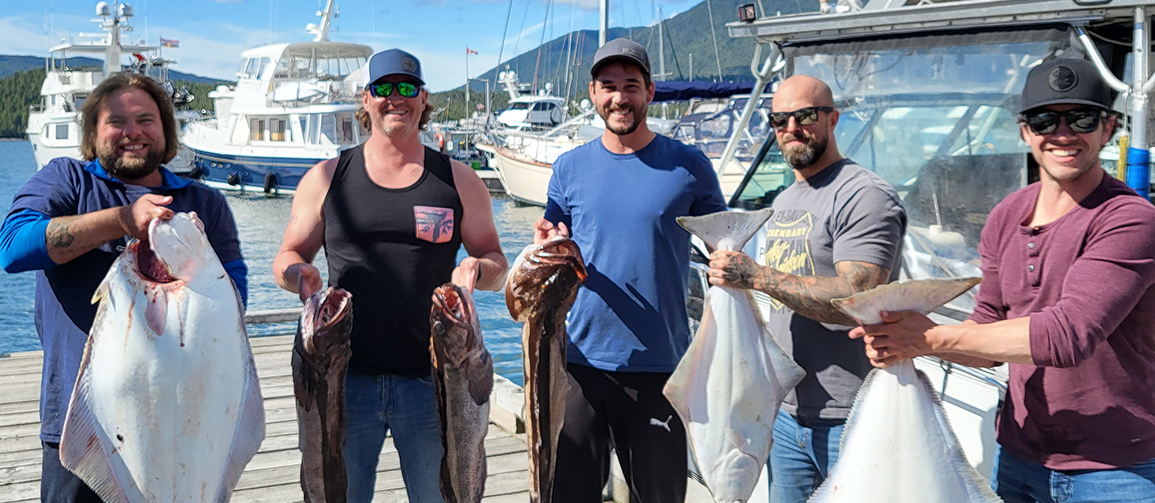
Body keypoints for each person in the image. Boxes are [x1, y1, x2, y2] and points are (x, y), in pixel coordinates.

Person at [850, 58, 1155, 502]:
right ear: (1024, 132)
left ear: (1108, 127)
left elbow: (1067, 336)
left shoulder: (1132, 219)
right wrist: (896, 334)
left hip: (1117, 471)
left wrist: (928, 339)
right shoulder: (1005, 216)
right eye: (1044, 120)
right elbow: (984, 335)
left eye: (1081, 117)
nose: (1062, 134)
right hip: (1020, 458)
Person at [272, 48, 507, 503]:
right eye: (383, 88)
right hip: (343, 379)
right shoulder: (326, 178)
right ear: (366, 99)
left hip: (434, 380)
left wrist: (479, 269)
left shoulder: (459, 179)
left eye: (406, 89)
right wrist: (299, 274)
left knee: (440, 495)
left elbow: (495, 263)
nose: (394, 98)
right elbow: (287, 256)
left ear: (423, 100)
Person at [0, 72, 247, 503]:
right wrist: (120, 220)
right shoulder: (68, 181)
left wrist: (195, 263)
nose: (132, 131)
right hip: (85, 423)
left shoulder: (205, 203)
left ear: (165, 131)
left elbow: (235, 301)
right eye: (116, 120)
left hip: (191, 422)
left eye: (146, 119)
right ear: (94, 133)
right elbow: (13, 249)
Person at [531, 38, 727, 503]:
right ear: (594, 95)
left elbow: (724, 241)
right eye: (609, 87)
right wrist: (545, 242)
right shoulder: (569, 167)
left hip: (659, 367)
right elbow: (553, 231)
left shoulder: (689, 166)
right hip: (577, 364)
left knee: (658, 497)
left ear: (650, 92)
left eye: (631, 86)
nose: (620, 97)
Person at [706, 75, 906, 502]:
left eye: (806, 116)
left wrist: (754, 276)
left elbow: (858, 297)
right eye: (780, 119)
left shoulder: (863, 195)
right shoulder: (783, 201)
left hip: (850, 416)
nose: (792, 128)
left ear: (833, 119)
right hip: (785, 411)